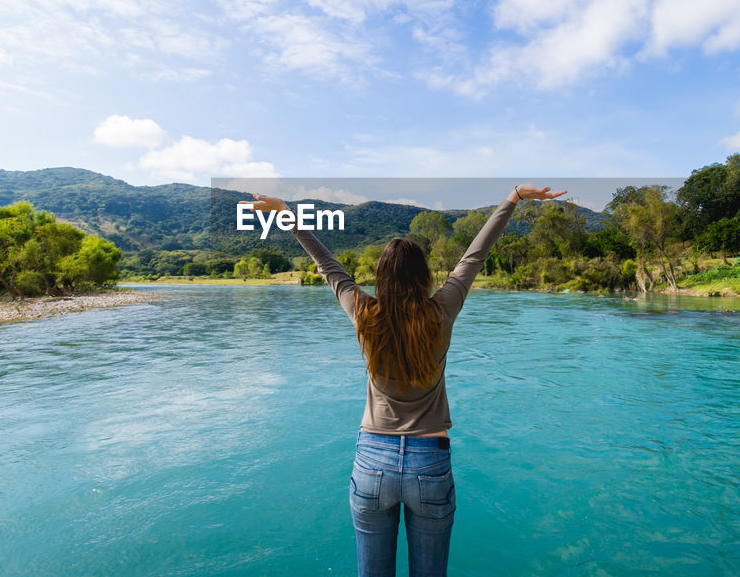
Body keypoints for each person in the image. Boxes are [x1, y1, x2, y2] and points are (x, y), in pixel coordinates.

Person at [241, 184, 567, 577]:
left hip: (372, 462)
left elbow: (327, 264)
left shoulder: (365, 313)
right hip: (430, 462)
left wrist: (286, 213)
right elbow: (475, 254)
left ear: (381, 276)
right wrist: (513, 198)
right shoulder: (442, 310)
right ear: (424, 275)